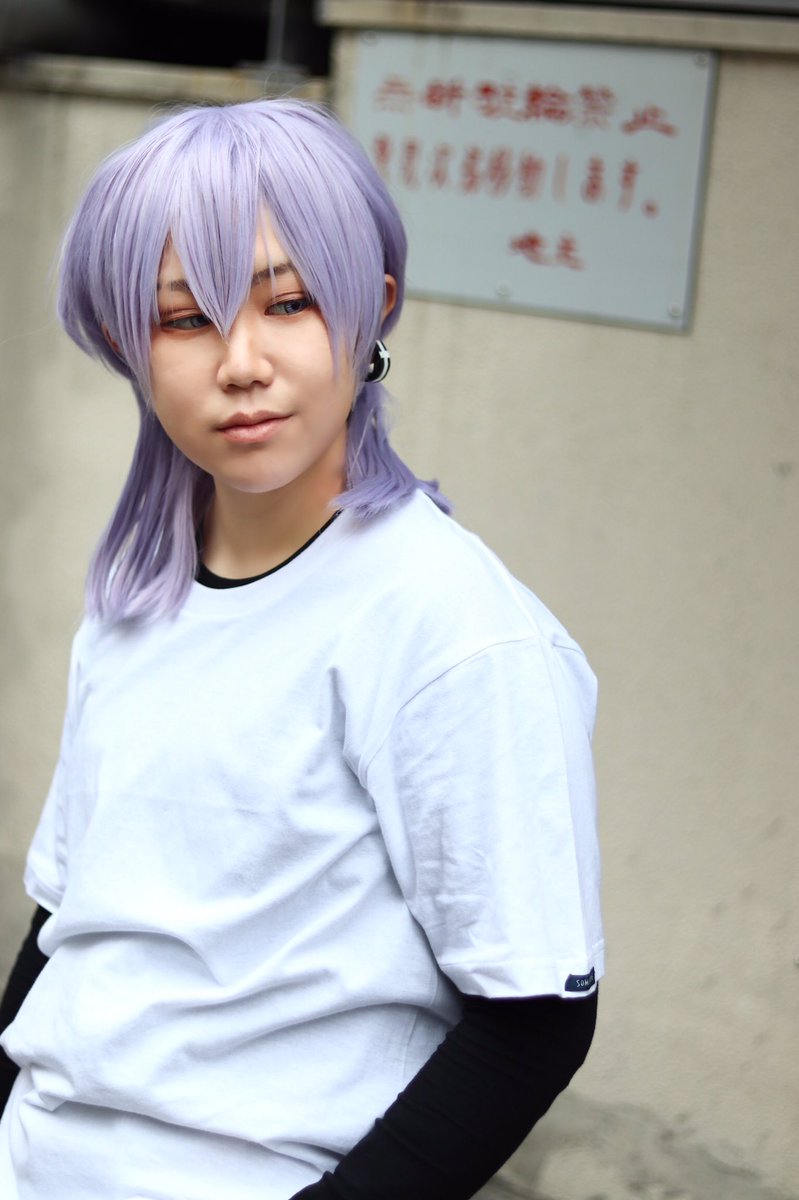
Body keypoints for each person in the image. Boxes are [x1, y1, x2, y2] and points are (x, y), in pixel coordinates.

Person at [0, 98, 603, 1200]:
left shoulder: (452, 628)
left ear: (373, 307)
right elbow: (67, 924)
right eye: (184, 319)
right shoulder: (136, 595)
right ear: (127, 345)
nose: (242, 362)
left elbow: (532, 1018)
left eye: (289, 302)